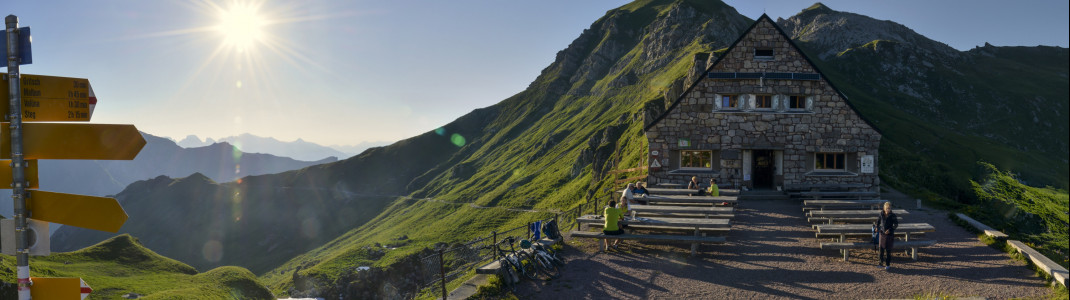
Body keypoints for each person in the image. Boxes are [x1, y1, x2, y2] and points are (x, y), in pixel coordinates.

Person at [877, 201, 899, 270]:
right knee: (881, 249)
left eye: (889, 208)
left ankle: (887, 264)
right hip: (882, 233)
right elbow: (878, 221)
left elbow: (896, 225)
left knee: (888, 250)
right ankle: (880, 263)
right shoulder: (881, 214)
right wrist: (876, 227)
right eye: (887, 208)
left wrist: (890, 230)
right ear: (884, 208)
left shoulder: (893, 215)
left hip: (889, 235)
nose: (888, 210)